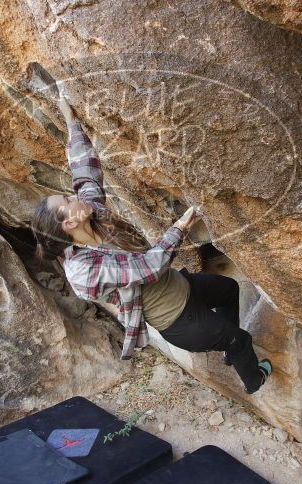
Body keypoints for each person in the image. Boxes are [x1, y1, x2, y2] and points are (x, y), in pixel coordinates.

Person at [30, 93, 272, 394]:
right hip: (179, 320)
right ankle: (253, 378)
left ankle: (227, 348)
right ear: (69, 223)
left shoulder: (92, 217)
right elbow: (150, 267)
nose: (73, 195)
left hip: (182, 286)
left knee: (229, 290)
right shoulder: (83, 271)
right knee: (241, 340)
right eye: (67, 200)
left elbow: (85, 174)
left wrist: (71, 120)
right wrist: (181, 225)